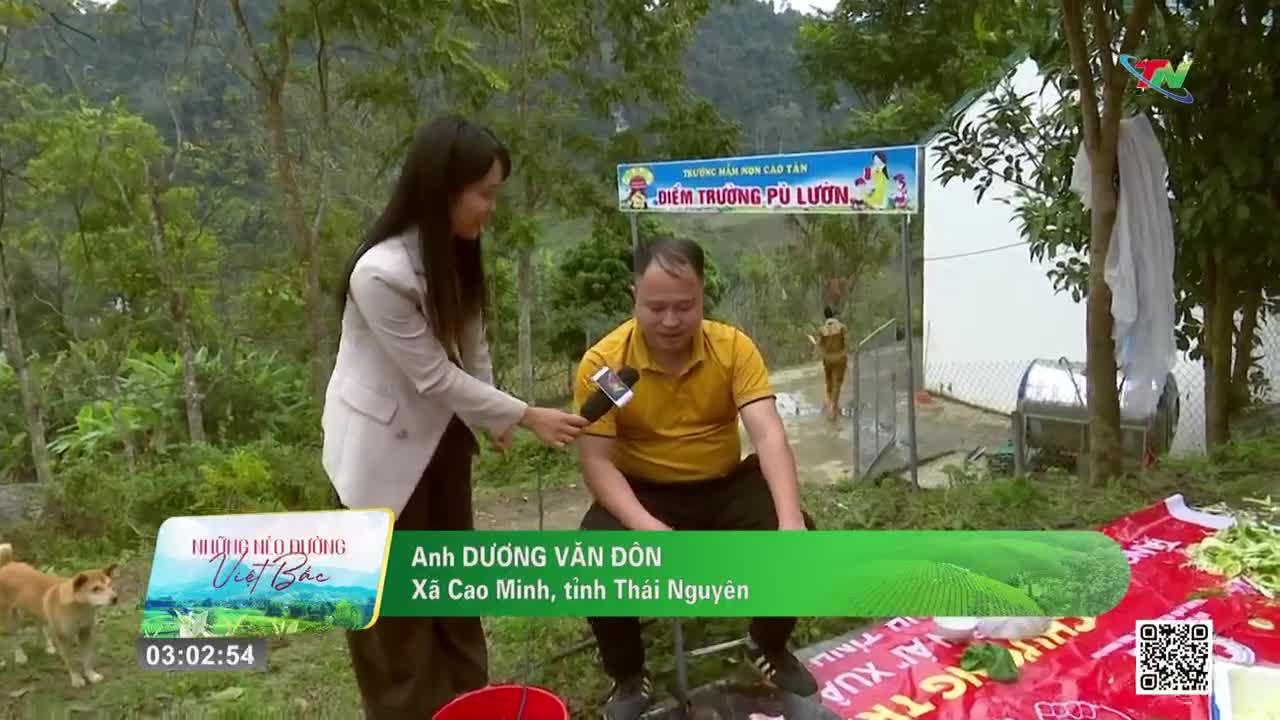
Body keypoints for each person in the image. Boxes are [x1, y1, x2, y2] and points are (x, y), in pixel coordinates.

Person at [322, 116, 589, 719]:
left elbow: (472, 343)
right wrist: (526, 416)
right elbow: (433, 375)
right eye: (485, 193)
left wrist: (492, 417)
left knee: (450, 584)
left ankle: (470, 703)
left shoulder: (457, 252)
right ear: (444, 188)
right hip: (378, 454)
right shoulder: (379, 273)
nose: (491, 208)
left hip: (439, 446)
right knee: (393, 612)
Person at [573, 236, 819, 720]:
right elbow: (597, 462)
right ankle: (627, 676)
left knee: (799, 534)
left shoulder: (732, 349)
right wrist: (645, 527)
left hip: (724, 483)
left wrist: (789, 523)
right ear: (633, 298)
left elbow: (768, 436)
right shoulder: (610, 366)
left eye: (683, 306)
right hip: (642, 491)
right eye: (655, 307)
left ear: (703, 296)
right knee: (596, 555)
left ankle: (766, 644)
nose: (669, 321)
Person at [808, 306, 848, 421]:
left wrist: (813, 342)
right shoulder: (841, 327)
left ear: (825, 316)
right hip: (840, 357)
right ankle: (833, 407)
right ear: (833, 315)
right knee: (838, 383)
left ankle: (831, 403)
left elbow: (819, 345)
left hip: (828, 359)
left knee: (829, 382)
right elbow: (847, 342)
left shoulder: (822, 330)